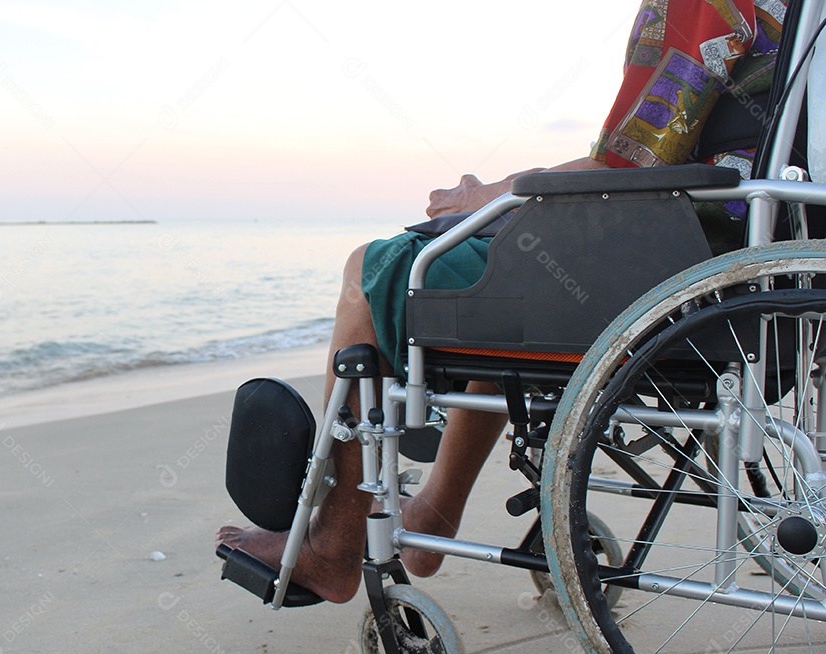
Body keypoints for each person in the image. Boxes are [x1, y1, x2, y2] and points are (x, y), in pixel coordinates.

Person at [217, 0, 788, 604]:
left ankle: (331, 550)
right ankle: (434, 512)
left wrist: (491, 193)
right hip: (753, 268)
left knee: (372, 267)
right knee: (503, 283)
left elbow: (629, 162)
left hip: (678, 262)